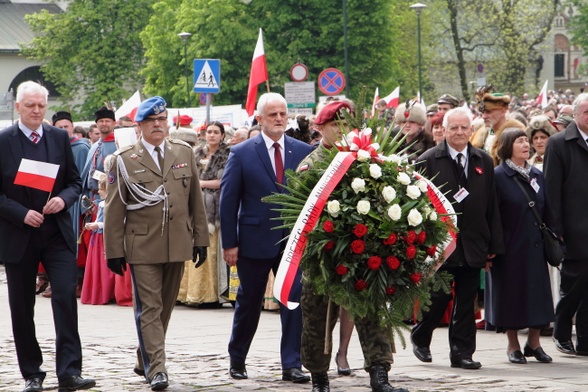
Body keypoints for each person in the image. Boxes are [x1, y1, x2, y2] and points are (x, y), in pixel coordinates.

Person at [298, 100, 406, 392]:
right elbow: (301, 214)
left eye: (348, 125)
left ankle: (379, 374)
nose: (344, 130)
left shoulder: (367, 159)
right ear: (320, 128)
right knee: (317, 319)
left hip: (363, 255)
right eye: (336, 125)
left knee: (373, 315)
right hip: (324, 257)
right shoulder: (312, 165)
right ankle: (319, 377)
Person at [104, 96, 209, 391]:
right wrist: (113, 251)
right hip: (142, 245)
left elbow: (195, 202)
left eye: (162, 120)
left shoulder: (183, 152)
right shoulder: (123, 160)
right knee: (149, 308)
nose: (158, 125)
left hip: (177, 242)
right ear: (139, 126)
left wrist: (200, 239)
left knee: (164, 308)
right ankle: (158, 370)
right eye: (152, 121)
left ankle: (145, 356)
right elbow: (114, 209)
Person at [0, 80, 95, 392]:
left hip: (56, 235)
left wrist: (63, 199)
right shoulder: (4, 140)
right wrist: (20, 212)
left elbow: (74, 181)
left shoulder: (57, 137)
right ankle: (32, 373)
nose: (37, 111)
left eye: (41, 105)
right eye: (30, 106)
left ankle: (69, 371)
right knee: (21, 306)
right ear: (18, 107)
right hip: (19, 235)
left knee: (66, 296)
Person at [220, 92, 312, 384]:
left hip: (293, 241)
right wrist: (229, 243)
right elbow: (228, 201)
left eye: (283, 114)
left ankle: (292, 363)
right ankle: (237, 357)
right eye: (273, 114)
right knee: (249, 301)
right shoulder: (242, 152)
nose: (279, 119)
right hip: (253, 240)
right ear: (259, 119)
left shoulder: (302, 151)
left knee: (293, 300)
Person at [410, 107, 504, 370]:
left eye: (464, 128)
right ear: (444, 130)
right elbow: (416, 206)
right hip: (440, 246)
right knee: (438, 298)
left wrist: (493, 245)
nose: (460, 132)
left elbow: (491, 206)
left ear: (471, 131)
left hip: (473, 243)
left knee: (466, 301)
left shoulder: (483, 160)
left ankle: (462, 353)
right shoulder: (427, 160)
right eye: (454, 128)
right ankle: (421, 336)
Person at [488, 128, 555, 364]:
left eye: (527, 141)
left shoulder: (537, 175)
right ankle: (513, 345)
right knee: (511, 297)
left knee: (538, 295)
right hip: (509, 247)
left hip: (535, 246)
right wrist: (493, 246)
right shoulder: (498, 176)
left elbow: (547, 209)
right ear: (508, 147)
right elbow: (492, 214)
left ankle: (534, 343)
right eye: (520, 141)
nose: (526, 145)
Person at [544, 92, 588, 356]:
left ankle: (585, 339)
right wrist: (557, 230)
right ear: (575, 115)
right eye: (586, 113)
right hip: (573, 230)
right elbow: (551, 190)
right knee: (574, 285)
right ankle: (561, 330)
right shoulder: (559, 143)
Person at [177, 121, 231, 307]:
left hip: (215, 207)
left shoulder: (227, 154)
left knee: (210, 249)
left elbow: (223, 181)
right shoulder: (196, 153)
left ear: (223, 135)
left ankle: (209, 295)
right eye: (209, 132)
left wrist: (200, 184)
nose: (212, 135)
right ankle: (188, 293)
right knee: (191, 249)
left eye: (216, 132)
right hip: (193, 205)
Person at [80, 173, 115, 305]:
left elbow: (112, 222)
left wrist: (97, 225)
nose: (99, 191)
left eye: (101, 189)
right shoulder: (102, 204)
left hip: (104, 238)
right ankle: (96, 292)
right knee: (96, 266)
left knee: (103, 266)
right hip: (98, 237)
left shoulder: (109, 204)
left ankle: (105, 293)